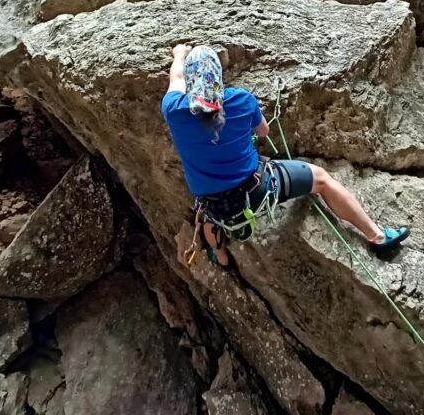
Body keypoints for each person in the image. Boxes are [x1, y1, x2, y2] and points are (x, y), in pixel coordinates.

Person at [162, 43, 410, 266]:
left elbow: (176, 77)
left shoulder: (174, 110)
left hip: (214, 203)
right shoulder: (240, 100)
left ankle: (222, 257)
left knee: (208, 214)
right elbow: (264, 131)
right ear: (218, 77)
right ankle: (376, 236)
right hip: (256, 191)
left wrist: (179, 54)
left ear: (192, 82)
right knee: (321, 179)